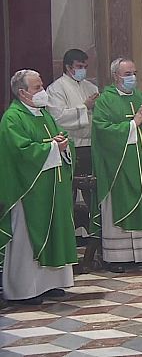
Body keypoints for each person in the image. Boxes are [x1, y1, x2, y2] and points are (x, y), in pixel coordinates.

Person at [0, 69, 77, 304]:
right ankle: (23, 289)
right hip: (28, 191)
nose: (43, 91)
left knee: (54, 231)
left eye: (42, 86)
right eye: (37, 88)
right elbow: (20, 152)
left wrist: (63, 144)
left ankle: (49, 283)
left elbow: (60, 138)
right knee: (27, 237)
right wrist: (53, 148)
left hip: (52, 187)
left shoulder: (44, 115)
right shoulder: (12, 118)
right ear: (22, 93)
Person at [92, 58, 142, 273]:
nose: (132, 77)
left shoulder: (140, 96)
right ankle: (116, 257)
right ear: (115, 76)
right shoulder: (105, 100)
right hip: (119, 166)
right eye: (127, 74)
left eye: (134, 72)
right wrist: (132, 124)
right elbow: (102, 130)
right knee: (122, 204)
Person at [47, 49, 100, 236]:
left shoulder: (91, 88)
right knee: (70, 192)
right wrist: (84, 107)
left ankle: (92, 231)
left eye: (85, 67)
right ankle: (70, 233)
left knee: (92, 193)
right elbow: (58, 118)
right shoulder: (56, 89)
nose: (82, 70)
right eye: (79, 67)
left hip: (91, 145)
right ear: (68, 67)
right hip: (69, 147)